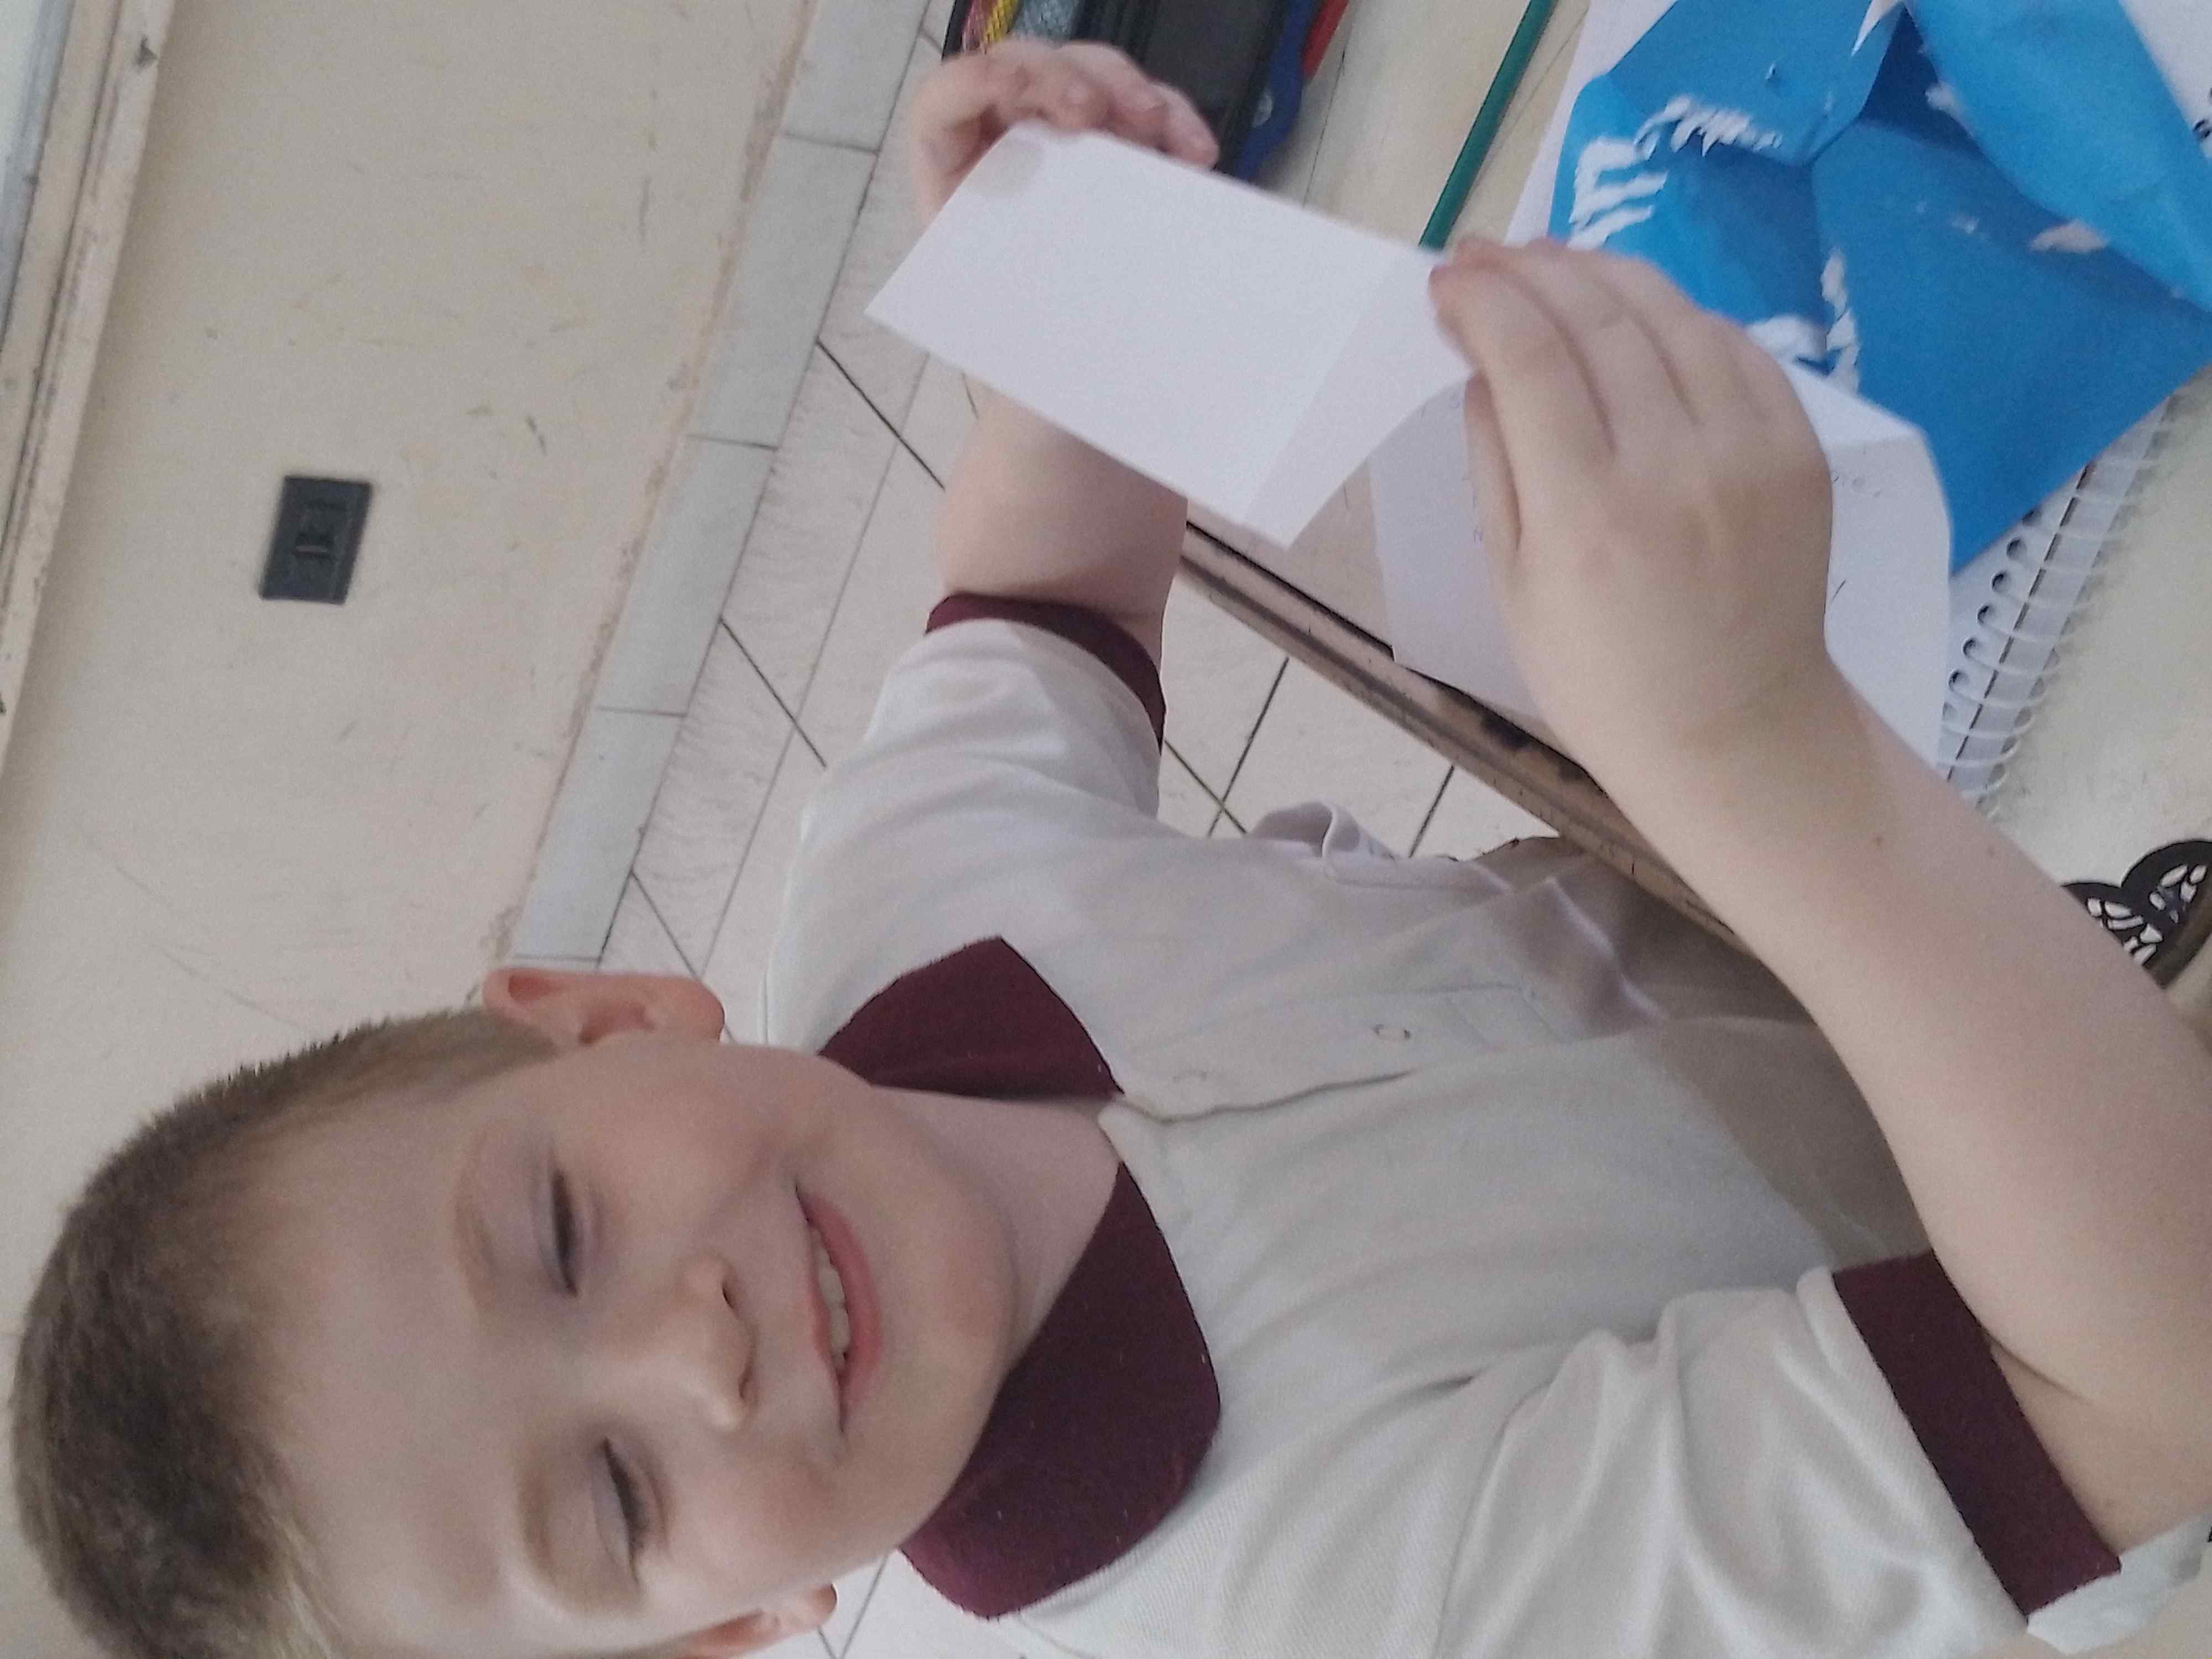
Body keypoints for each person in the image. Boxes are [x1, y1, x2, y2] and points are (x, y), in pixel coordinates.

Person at [14, 38, 2212, 1659]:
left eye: (564, 1234)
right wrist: (1753, 756)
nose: (698, 1353)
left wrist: (1053, 285)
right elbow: (2145, 1386)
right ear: (722, 1640)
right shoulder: (1304, 1599)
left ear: (601, 1022)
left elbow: (1037, 599)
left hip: (1923, 915)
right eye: (610, 1495)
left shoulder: (897, 941)